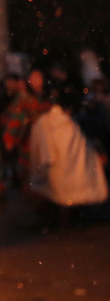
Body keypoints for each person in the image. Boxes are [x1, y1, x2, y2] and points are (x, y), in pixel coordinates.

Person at [29, 87, 109, 228]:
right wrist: (95, 157)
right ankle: (69, 221)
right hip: (70, 171)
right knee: (69, 199)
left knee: (54, 197)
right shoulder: (70, 125)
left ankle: (55, 222)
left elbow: (40, 147)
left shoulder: (44, 123)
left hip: (52, 169)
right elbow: (80, 148)